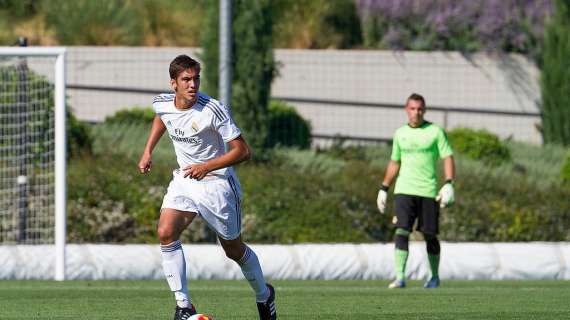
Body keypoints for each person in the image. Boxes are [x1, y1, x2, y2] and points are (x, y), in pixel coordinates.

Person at [138, 55, 276, 320]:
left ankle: (264, 295)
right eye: (186, 80)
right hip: (185, 180)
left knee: (233, 250)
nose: (192, 85)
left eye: (196, 79)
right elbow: (161, 118)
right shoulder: (162, 102)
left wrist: (207, 167)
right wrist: (147, 151)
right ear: (173, 84)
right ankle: (183, 306)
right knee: (166, 232)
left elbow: (243, 151)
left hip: (217, 185)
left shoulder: (212, 109)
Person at [377, 93, 455, 289]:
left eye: (420, 109)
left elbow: (448, 157)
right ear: (406, 109)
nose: (416, 112)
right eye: (412, 108)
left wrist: (449, 183)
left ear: (424, 110)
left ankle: (435, 277)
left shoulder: (436, 132)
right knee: (402, 230)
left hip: (428, 191)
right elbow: (395, 162)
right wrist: (384, 188)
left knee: (430, 235)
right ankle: (400, 277)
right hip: (404, 190)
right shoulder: (400, 133)